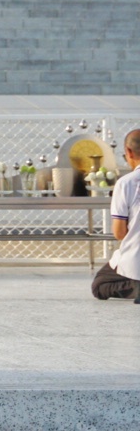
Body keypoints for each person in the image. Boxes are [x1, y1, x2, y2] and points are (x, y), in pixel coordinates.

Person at [92, 128, 140, 301]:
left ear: (128, 152)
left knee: (100, 285)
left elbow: (120, 233)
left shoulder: (126, 183)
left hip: (136, 259)